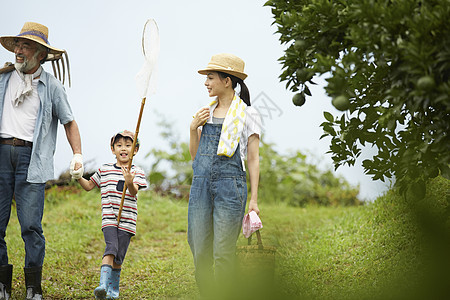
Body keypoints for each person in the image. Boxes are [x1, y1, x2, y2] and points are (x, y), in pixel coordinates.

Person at [0, 22, 83, 300]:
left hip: (31, 160)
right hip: (1, 155)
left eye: (25, 46)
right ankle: (2, 285)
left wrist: (77, 155)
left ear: (40, 54)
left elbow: (69, 122)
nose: (19, 51)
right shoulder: (3, 78)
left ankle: (33, 288)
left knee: (31, 226)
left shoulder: (53, 87)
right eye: (17, 46)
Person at [188, 53, 262, 297]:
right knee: (199, 249)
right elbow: (195, 158)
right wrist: (192, 129)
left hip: (231, 187)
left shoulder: (248, 114)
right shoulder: (204, 113)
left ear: (227, 80)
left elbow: (252, 158)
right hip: (201, 185)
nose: (206, 83)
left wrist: (254, 199)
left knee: (223, 252)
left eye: (210, 78)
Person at [77, 130, 147, 299]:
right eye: (119, 145)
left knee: (118, 257)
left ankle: (113, 291)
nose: (124, 148)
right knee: (111, 248)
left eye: (128, 145)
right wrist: (78, 175)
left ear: (135, 150)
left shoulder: (137, 171)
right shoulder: (104, 170)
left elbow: (133, 191)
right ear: (112, 149)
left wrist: (129, 181)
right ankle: (102, 285)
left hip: (127, 222)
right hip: (109, 219)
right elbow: (88, 186)